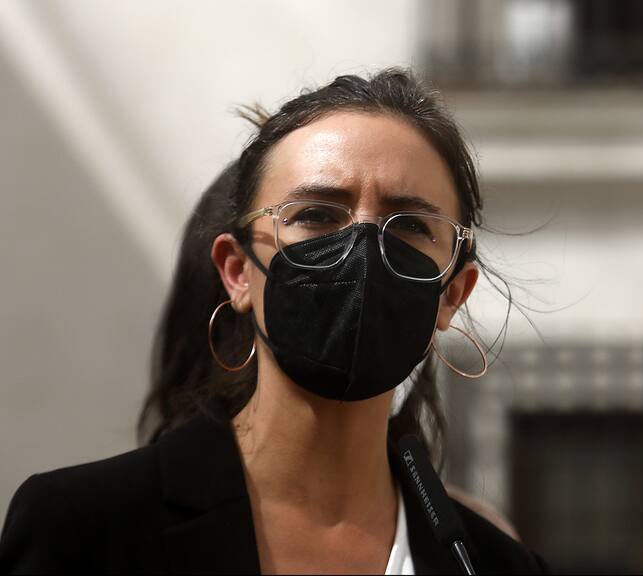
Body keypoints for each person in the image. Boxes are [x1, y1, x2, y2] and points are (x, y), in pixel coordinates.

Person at [0, 68, 547, 574]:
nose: (362, 245)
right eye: (316, 214)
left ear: (453, 292)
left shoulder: (494, 565)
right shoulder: (84, 531)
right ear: (237, 271)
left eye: (408, 226)